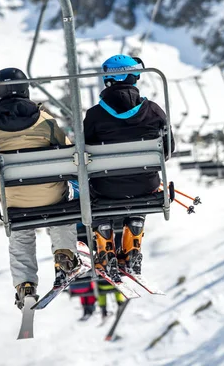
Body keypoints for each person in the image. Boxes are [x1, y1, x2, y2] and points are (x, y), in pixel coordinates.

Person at [0, 67, 81, 309]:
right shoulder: (46, 122)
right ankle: (65, 253)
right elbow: (69, 153)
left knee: (20, 233)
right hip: (51, 196)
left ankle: (25, 284)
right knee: (62, 206)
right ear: (26, 89)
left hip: (15, 202)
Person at [83, 55, 174, 281]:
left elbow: (85, 154)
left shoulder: (94, 115)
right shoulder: (153, 110)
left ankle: (105, 249)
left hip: (105, 188)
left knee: (93, 192)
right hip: (146, 185)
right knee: (139, 185)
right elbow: (168, 150)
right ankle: (132, 246)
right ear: (133, 77)